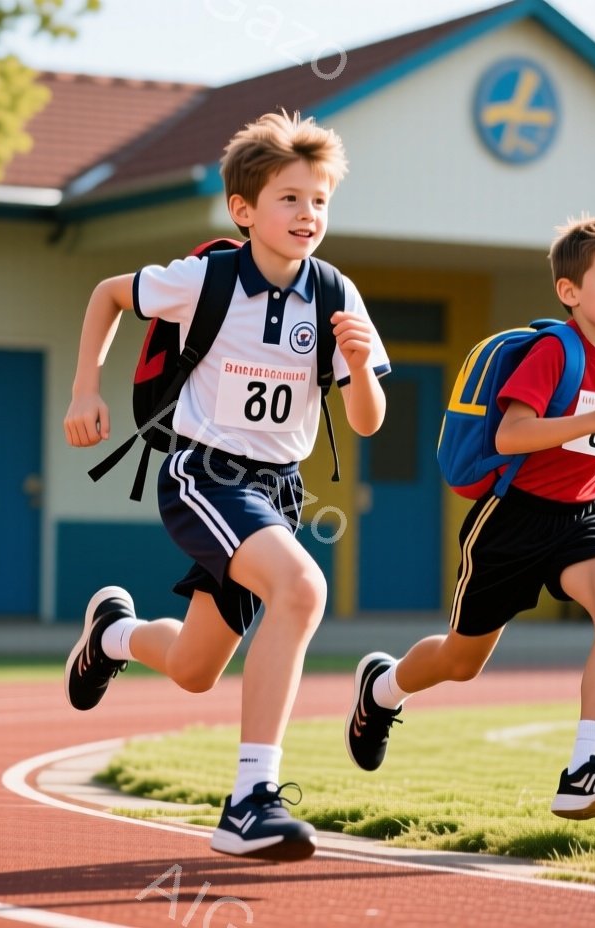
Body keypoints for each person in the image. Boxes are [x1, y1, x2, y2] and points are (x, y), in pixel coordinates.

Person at [63, 111, 389, 861]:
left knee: (194, 669)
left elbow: (368, 422)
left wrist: (359, 365)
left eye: (319, 200)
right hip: (204, 472)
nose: (307, 214)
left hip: (279, 492)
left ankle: (111, 635)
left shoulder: (337, 295)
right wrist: (85, 389)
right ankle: (250, 800)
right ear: (243, 210)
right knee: (301, 590)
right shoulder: (206, 278)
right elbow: (108, 293)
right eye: (289, 198)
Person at [344, 216, 595, 821]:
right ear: (569, 291)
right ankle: (383, 688)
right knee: (460, 662)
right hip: (512, 520)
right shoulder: (555, 352)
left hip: (584, 515)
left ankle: (585, 768)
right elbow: (513, 433)